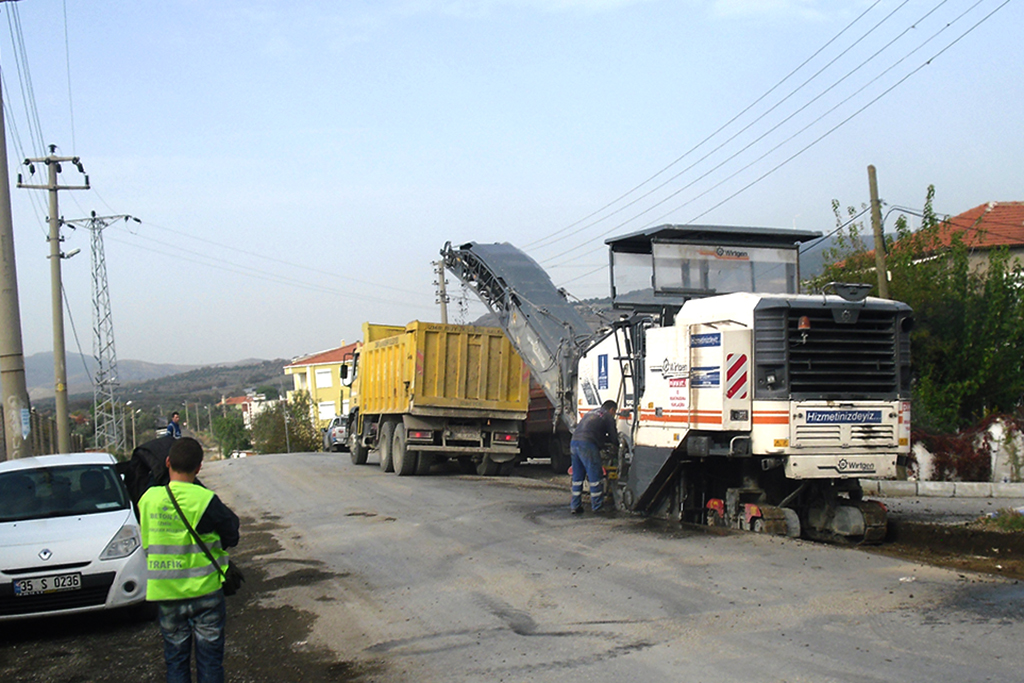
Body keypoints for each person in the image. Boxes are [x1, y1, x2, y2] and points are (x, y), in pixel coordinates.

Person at [139, 437, 240, 683]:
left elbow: (146, 543)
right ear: (199, 467)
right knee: (210, 663)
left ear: (167, 463)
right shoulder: (205, 500)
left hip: (166, 594)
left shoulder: (148, 500)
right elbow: (232, 535)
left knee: (175, 662)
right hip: (205, 592)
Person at [569, 399, 618, 514]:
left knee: (577, 477)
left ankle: (575, 506)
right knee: (595, 476)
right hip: (587, 445)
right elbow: (613, 437)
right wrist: (616, 447)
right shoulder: (608, 416)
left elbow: (592, 430)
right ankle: (597, 507)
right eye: (614, 412)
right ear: (612, 410)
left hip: (574, 443)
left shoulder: (592, 412)